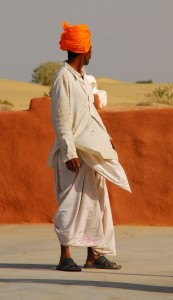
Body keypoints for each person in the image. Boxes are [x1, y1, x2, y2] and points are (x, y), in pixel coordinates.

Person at [48, 21, 131, 272]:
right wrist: (69, 152)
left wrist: (105, 139)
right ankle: (65, 256)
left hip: (91, 152)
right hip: (73, 154)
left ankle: (93, 255)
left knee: (94, 204)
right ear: (83, 50)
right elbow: (61, 118)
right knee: (71, 205)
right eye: (91, 48)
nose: (92, 52)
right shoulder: (63, 78)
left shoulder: (83, 80)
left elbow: (90, 115)